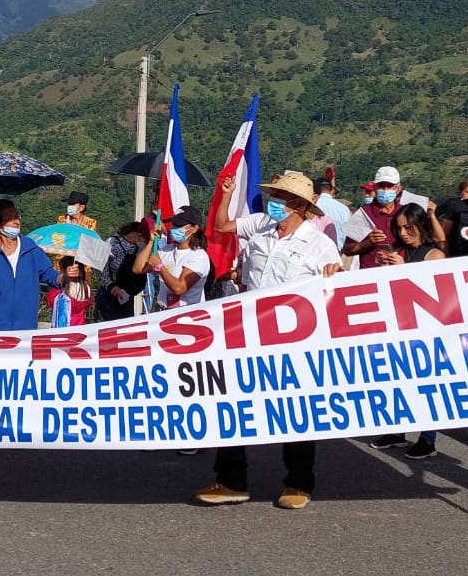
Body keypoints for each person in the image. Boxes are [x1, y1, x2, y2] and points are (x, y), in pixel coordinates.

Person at [200, 171, 342, 510]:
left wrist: (334, 276)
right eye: (273, 196)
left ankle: (298, 483)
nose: (273, 203)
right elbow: (234, 253)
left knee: (295, 409)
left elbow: (335, 291)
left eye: (280, 198)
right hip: (249, 333)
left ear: (299, 206)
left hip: (294, 340)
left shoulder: (320, 245)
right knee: (234, 403)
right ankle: (231, 480)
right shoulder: (260, 232)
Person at [367, 203, 445, 458]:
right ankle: (396, 431)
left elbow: (435, 295)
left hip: (424, 330)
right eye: (399, 228)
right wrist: (381, 267)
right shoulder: (396, 251)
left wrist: (403, 270)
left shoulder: (434, 255)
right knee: (396, 381)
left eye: (408, 227)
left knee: (426, 384)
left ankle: (428, 439)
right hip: (397, 326)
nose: (403, 233)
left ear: (420, 225)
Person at [0, 200, 60, 331]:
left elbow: (50, 274)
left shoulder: (31, 249)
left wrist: (65, 278)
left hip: (24, 330)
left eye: (16, 216)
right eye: (10, 218)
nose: (16, 221)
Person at [342, 166, 428, 268]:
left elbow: (421, 240)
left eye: (390, 186)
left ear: (398, 189)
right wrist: (369, 242)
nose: (385, 190)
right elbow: (347, 250)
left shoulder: (404, 212)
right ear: (375, 187)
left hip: (402, 270)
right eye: (381, 186)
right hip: (371, 273)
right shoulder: (363, 214)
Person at [136, 206, 211, 311]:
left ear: (194, 228)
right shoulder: (166, 250)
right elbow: (138, 269)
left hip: (186, 314)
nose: (174, 228)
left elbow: (179, 288)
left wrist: (160, 266)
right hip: (163, 311)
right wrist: (151, 242)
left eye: (179, 225)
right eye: (174, 224)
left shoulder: (199, 256)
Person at [94, 221, 150, 321]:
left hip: (127, 296)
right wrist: (111, 286)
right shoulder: (112, 243)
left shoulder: (140, 248)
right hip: (110, 295)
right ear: (136, 233)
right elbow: (99, 267)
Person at [48, 256, 94, 326]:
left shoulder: (62, 290)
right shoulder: (86, 287)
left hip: (64, 326)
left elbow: (50, 301)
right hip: (80, 325)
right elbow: (89, 302)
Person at [311, 176, 353, 250]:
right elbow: (349, 233)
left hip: (314, 249)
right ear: (332, 190)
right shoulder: (344, 209)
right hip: (336, 251)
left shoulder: (313, 204)